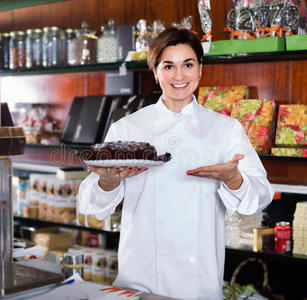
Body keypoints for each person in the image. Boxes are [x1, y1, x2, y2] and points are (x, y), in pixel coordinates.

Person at [78, 28, 273, 299]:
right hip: (140, 275)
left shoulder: (226, 129)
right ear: (155, 71)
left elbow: (261, 196)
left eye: (188, 65)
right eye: (168, 66)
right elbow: (91, 206)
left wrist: (233, 179)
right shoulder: (127, 127)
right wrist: (108, 181)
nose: (179, 76)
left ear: (200, 69)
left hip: (198, 280)